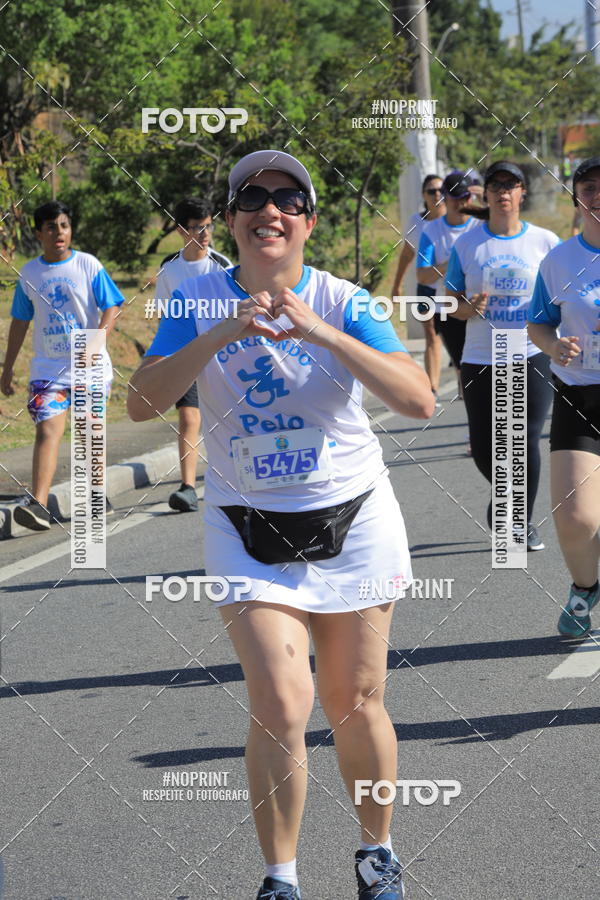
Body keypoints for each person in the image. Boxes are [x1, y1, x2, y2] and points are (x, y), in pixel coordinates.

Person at [128, 149, 434, 899]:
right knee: (279, 700)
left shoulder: (343, 300)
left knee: (356, 700)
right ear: (231, 221)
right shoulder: (196, 301)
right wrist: (216, 338)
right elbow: (140, 404)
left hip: (354, 517)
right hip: (246, 523)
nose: (271, 208)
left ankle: (376, 854)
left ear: (307, 222)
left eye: (288, 199)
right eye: (253, 197)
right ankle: (281, 878)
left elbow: (420, 400)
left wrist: (320, 334)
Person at [445, 161, 561, 551]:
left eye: (510, 185)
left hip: (531, 351)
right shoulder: (468, 243)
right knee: (484, 446)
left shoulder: (545, 242)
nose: (503, 192)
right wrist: (468, 308)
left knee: (524, 439)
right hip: (481, 354)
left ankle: (519, 523)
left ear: (521, 193)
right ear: (486, 194)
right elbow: (450, 303)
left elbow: (562, 296)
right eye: (495, 185)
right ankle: (506, 497)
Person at [1, 200, 123, 531]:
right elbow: (20, 322)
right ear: (38, 232)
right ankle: (38, 504)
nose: (59, 232)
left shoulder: (87, 265)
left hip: (90, 363)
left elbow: (112, 305)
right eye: (52, 226)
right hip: (47, 367)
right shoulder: (29, 273)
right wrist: (8, 367)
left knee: (88, 435)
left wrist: (98, 340)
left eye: (65, 225)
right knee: (46, 430)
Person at [528, 157, 600, 636]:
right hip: (580, 393)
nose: (598, 195)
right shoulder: (559, 260)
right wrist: (553, 345)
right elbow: (538, 321)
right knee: (575, 516)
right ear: (577, 198)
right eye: (589, 187)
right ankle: (584, 587)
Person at [155, 197, 232, 512]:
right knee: (188, 417)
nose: (205, 234)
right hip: (185, 355)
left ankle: (232, 476)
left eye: (209, 226)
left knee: (225, 419)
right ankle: (188, 487)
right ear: (181, 231)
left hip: (224, 356)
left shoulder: (222, 265)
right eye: (198, 228)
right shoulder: (169, 269)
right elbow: (164, 315)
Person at [416, 170, 479, 393]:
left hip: (481, 306)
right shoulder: (431, 230)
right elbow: (422, 275)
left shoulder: (481, 226)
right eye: (452, 196)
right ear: (444, 197)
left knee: (486, 368)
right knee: (464, 369)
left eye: (463, 196)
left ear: (470, 198)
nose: (458, 202)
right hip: (449, 307)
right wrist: (452, 264)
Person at [391, 174, 445, 399]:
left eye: (441, 190)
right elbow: (407, 253)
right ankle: (433, 387)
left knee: (454, 335)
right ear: (424, 195)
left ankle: (466, 383)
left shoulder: (457, 219)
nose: (437, 195)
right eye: (431, 191)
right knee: (431, 333)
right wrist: (397, 285)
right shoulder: (417, 221)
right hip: (427, 285)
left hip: (454, 287)